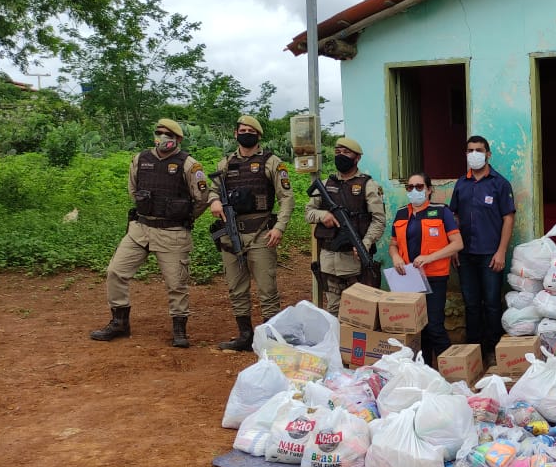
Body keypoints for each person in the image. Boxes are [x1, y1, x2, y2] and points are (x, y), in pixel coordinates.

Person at [89, 118, 209, 348]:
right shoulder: (140, 159)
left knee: (176, 283)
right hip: (141, 229)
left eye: (168, 134)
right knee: (116, 271)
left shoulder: (189, 164)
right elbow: (133, 190)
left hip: (172, 232)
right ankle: (119, 322)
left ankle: (179, 329)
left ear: (178, 139)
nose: (162, 137)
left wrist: (185, 215)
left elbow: (202, 198)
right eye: (159, 132)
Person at [208, 115, 295, 351]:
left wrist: (279, 227)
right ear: (235, 134)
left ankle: (269, 339)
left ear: (258, 136)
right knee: (236, 287)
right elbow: (212, 190)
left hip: (261, 233)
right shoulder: (225, 164)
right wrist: (214, 201)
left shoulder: (272, 162)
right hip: (231, 234)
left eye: (251, 131)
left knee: (267, 288)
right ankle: (244, 336)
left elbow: (286, 198)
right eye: (242, 130)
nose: (246, 134)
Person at [449, 135, 515, 359]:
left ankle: (494, 350)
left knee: (493, 304)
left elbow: (508, 218)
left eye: (478, 150)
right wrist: (454, 248)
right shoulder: (461, 184)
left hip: (490, 254)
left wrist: (501, 251)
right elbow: (454, 217)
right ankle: (472, 352)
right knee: (471, 304)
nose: (474, 154)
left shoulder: (500, 184)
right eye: (470, 150)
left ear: (488, 154)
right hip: (465, 255)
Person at [305, 136, 386, 315]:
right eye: (337, 152)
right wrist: (323, 215)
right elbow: (308, 212)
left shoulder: (368, 185)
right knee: (333, 309)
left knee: (359, 311)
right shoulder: (326, 184)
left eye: (346, 152)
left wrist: (365, 243)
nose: (341, 155)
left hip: (354, 260)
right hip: (328, 259)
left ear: (357, 158)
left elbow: (379, 220)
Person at [388, 172, 464, 365]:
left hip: (434, 277)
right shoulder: (401, 213)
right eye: (410, 187)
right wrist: (395, 257)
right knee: (418, 329)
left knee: (434, 327)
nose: (414, 190)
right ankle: (426, 370)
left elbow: (457, 244)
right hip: (409, 279)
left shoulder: (441, 211)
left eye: (419, 186)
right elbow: (393, 244)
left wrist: (429, 258)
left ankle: (452, 370)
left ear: (429, 190)